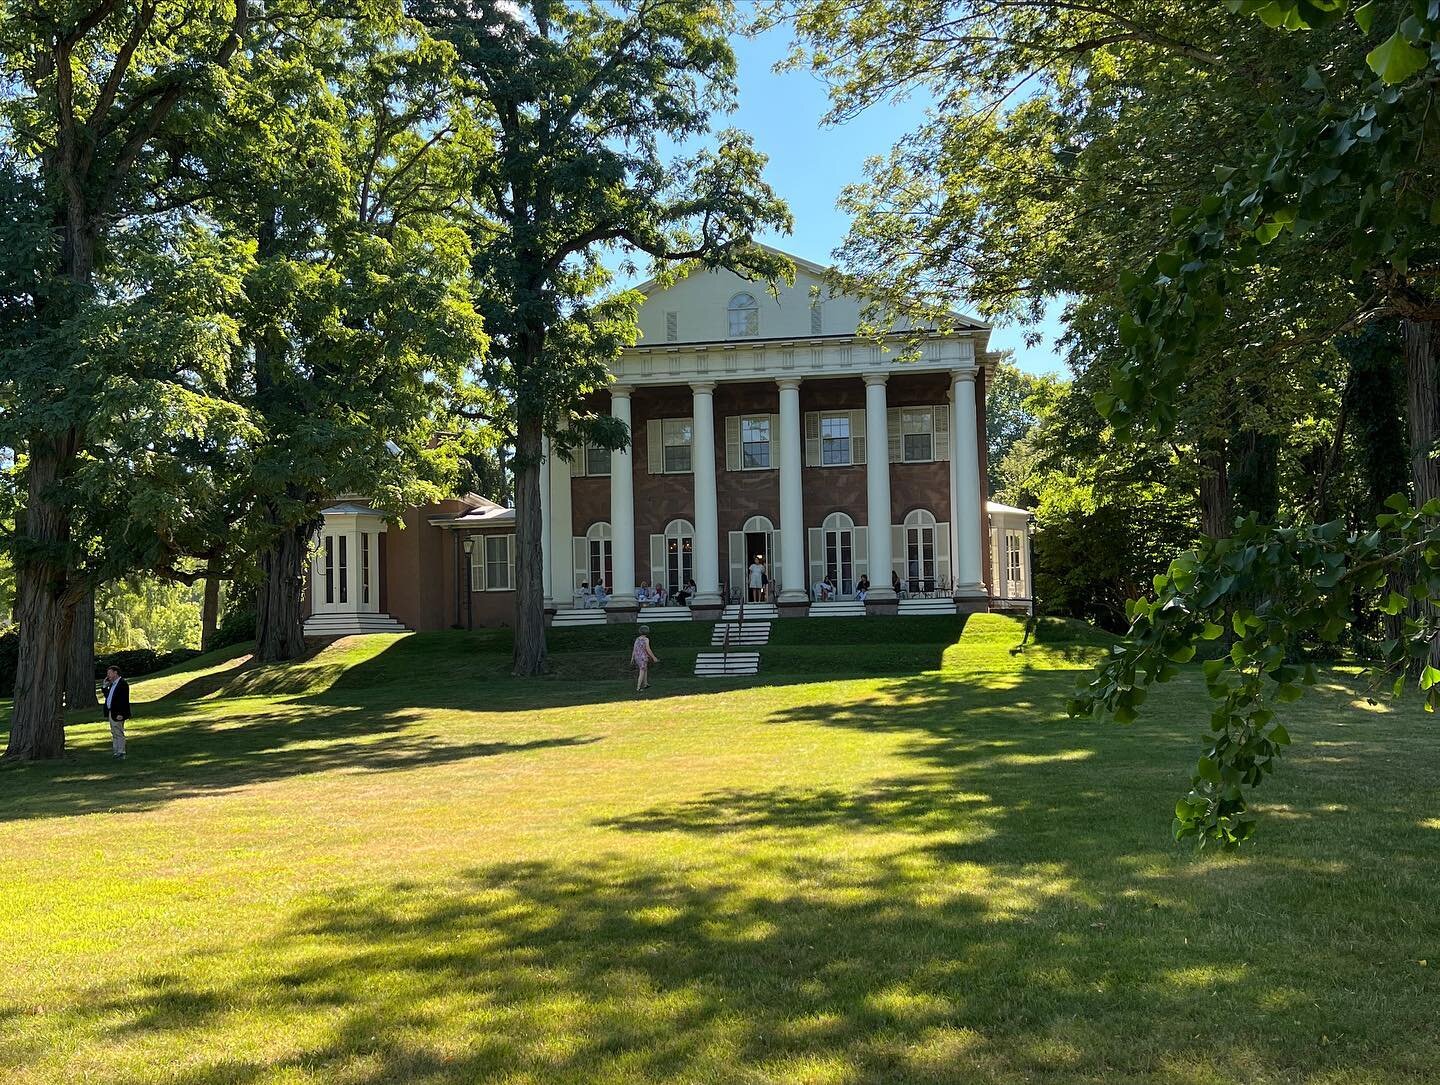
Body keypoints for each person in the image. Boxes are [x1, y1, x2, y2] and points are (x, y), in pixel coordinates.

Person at [100, 665, 130, 760]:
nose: (108, 675)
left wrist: (121, 713)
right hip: (111, 711)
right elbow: (108, 697)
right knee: (114, 732)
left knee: (118, 732)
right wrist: (105, 686)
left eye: (109, 673)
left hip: (118, 712)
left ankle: (121, 752)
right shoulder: (113, 684)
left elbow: (123, 700)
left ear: (115, 672)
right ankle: (116, 751)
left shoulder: (122, 684)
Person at [632, 624, 658, 692]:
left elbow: (634, 649)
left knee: (645, 669)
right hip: (643, 657)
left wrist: (632, 658)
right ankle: (638, 687)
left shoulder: (637, 639)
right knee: (642, 671)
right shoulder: (646, 639)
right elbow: (648, 649)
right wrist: (654, 657)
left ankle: (645, 684)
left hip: (637, 657)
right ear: (647, 632)